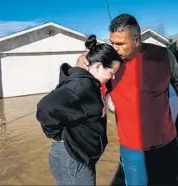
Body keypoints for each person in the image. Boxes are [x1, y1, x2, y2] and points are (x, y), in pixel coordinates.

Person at [76, 14, 178, 186]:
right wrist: (80, 69)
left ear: (136, 40)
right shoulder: (108, 63)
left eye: (120, 44)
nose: (114, 48)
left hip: (167, 145)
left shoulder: (163, 56)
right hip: (132, 151)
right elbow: (85, 92)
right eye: (112, 42)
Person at [36, 34, 122, 185]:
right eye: (111, 73)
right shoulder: (81, 86)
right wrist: (56, 135)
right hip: (72, 158)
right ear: (97, 66)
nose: (113, 78)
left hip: (79, 156)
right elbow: (45, 107)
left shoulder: (91, 82)